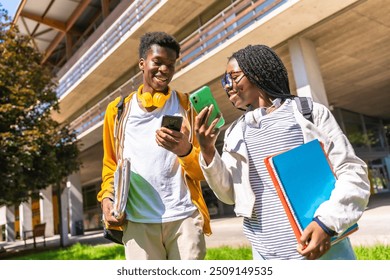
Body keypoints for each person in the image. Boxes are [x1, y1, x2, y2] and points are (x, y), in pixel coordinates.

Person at [194, 44, 370, 260]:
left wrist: (327, 223)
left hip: (323, 252)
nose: (228, 86)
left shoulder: (309, 113)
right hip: (266, 254)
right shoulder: (234, 132)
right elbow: (229, 195)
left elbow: (352, 173)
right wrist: (208, 150)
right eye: (225, 81)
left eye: (234, 77)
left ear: (257, 73)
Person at [97, 31, 210, 260]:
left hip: (184, 219)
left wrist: (185, 151)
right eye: (157, 62)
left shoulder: (187, 106)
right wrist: (106, 199)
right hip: (138, 223)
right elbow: (111, 167)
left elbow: (201, 171)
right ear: (142, 63)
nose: (165, 69)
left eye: (171, 64)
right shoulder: (117, 112)